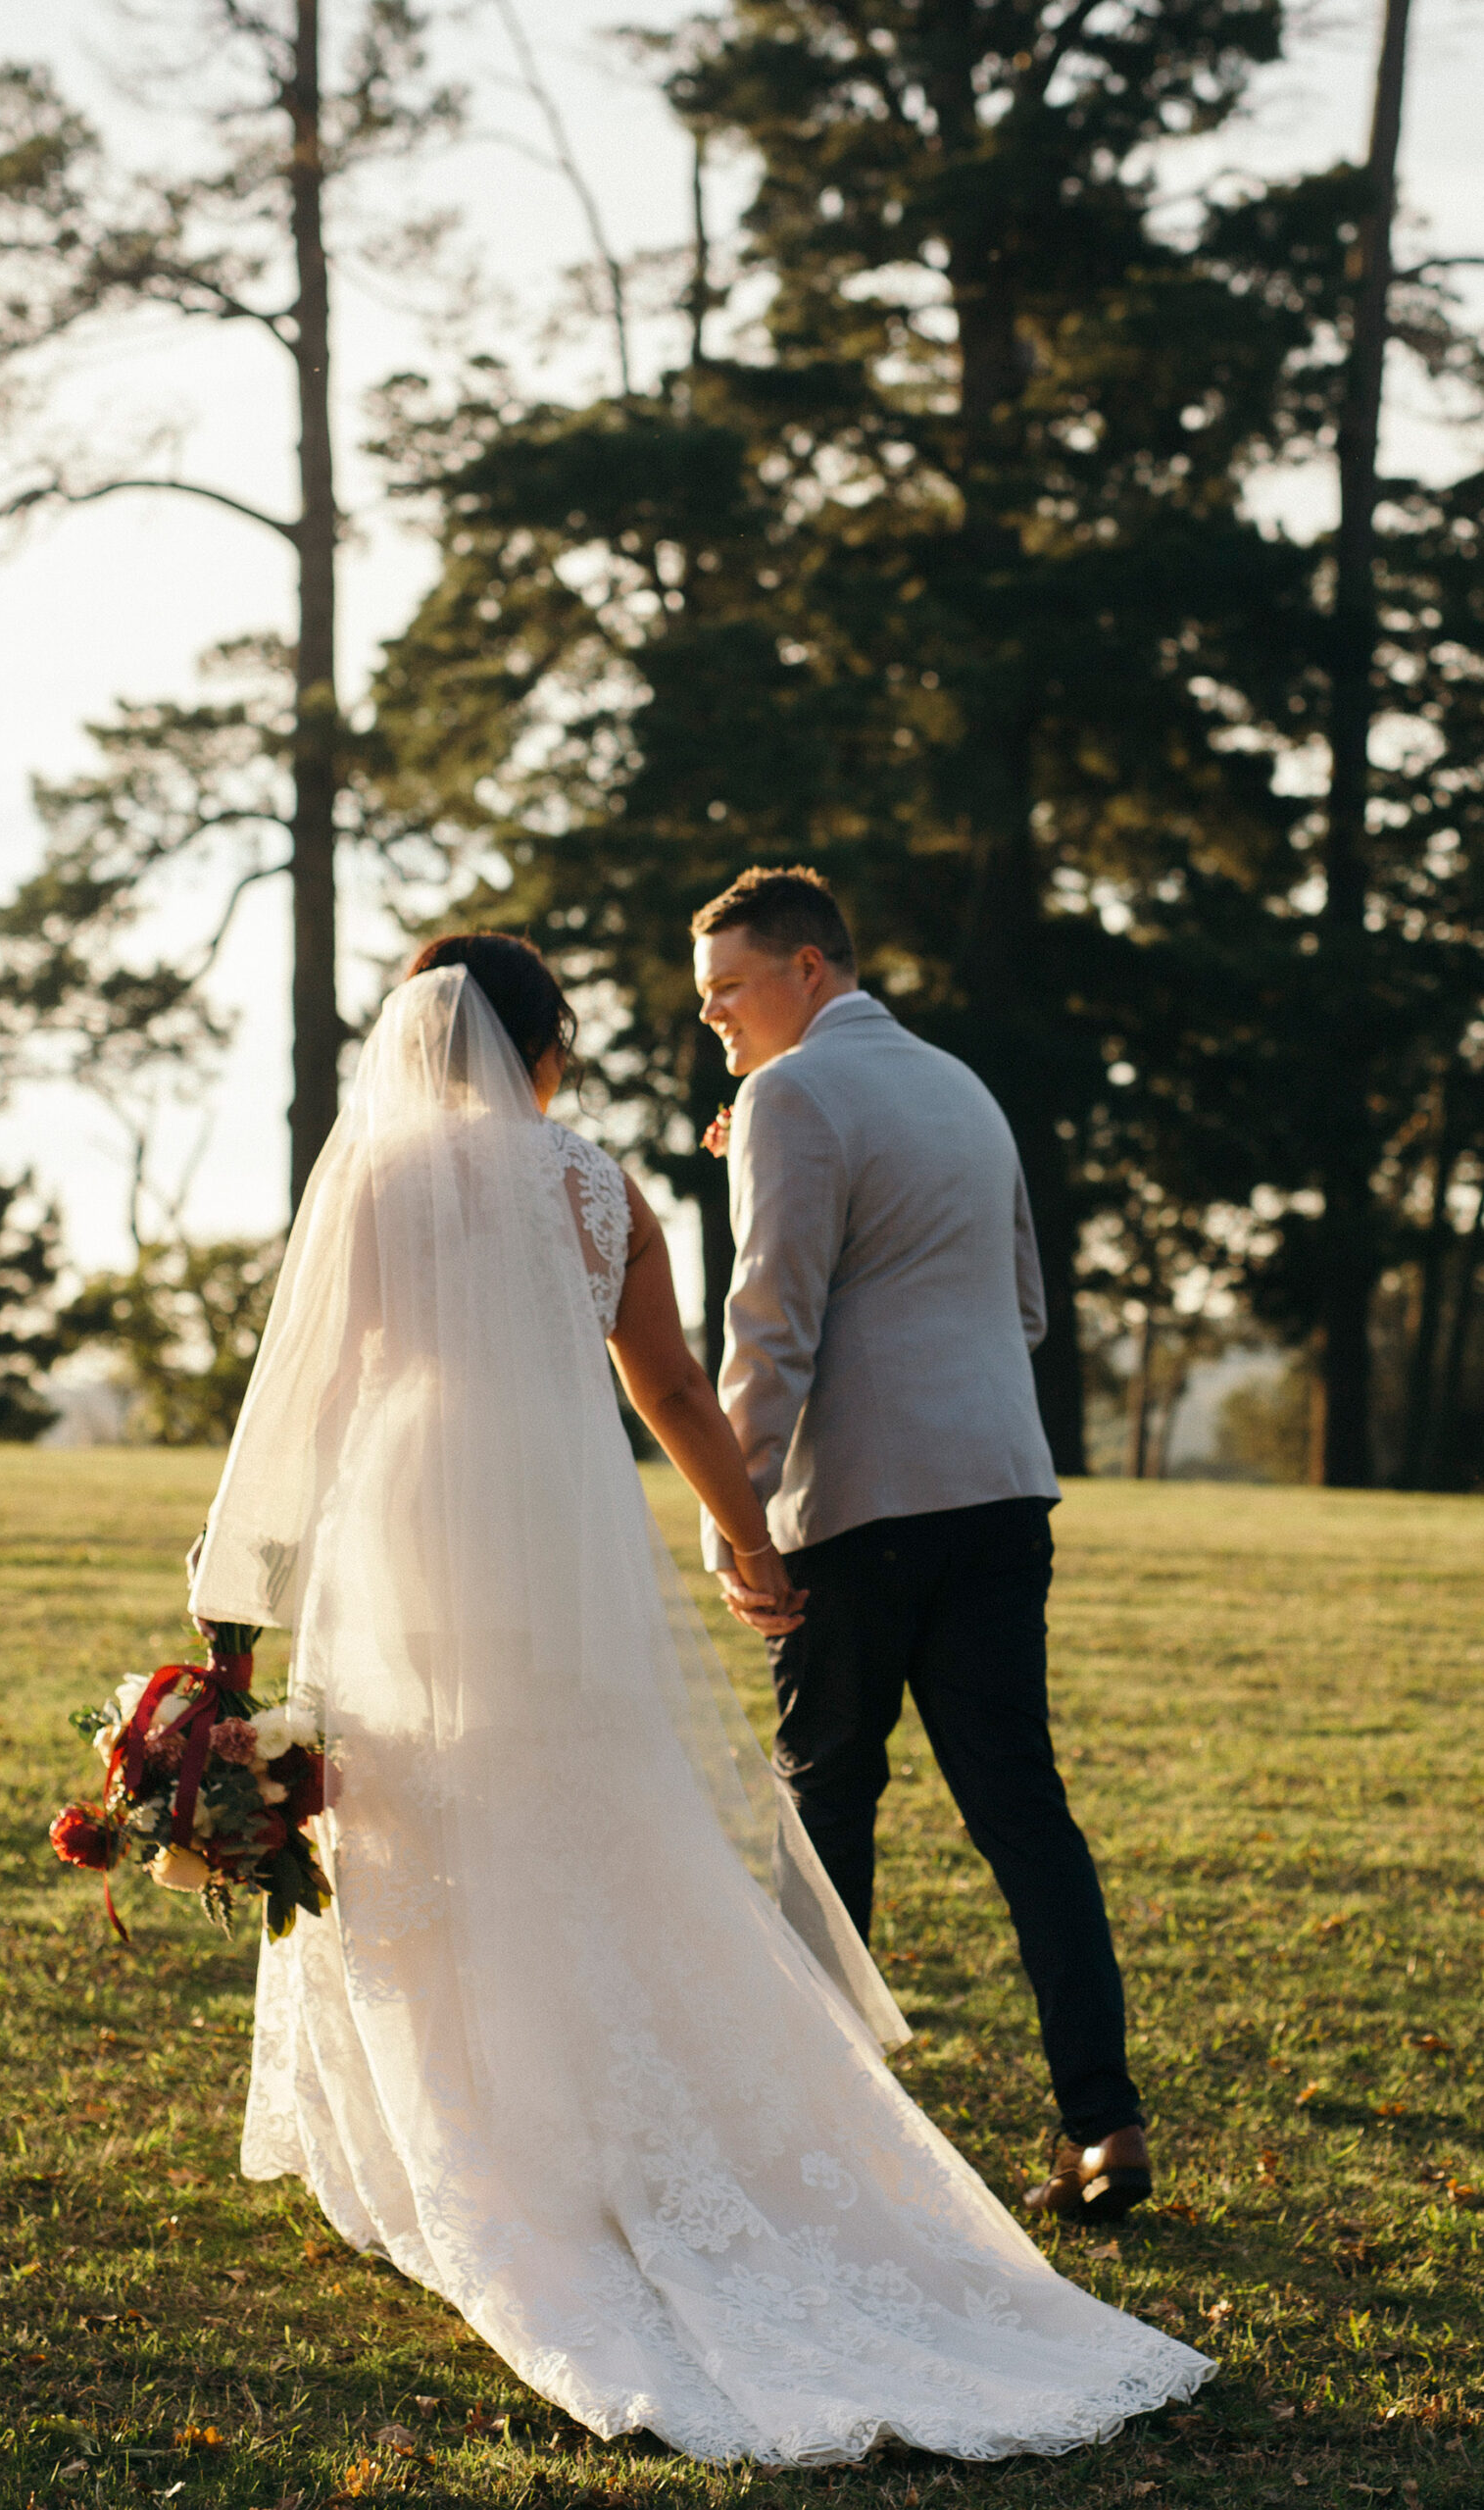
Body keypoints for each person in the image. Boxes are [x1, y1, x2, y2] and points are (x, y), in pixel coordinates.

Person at [188, 930, 1210, 2464]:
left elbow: (303, 1403)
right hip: (558, 1518)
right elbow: (668, 1385)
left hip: (407, 1516)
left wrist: (235, 1608)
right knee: (579, 1791)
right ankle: (618, 2125)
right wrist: (750, 1539)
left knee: (411, 1796)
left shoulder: (374, 1183)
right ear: (551, 1048)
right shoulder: (596, 1187)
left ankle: (463, 2136)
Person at [694, 867, 1149, 2226]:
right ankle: (1105, 2123)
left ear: (810, 972)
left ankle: (805, 2140)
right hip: (1004, 1491)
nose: (715, 1022)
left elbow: (771, 1324)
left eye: (730, 991)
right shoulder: (961, 1086)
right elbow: (1020, 1303)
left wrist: (739, 1518)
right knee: (1025, 1813)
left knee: (827, 1811)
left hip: (865, 1512)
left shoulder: (790, 1096)